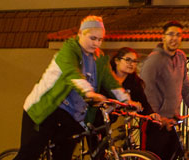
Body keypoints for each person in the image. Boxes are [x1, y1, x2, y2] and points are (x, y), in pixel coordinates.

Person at [16, 16, 126, 160]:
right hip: (44, 110)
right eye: (93, 38)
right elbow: (72, 72)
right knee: (30, 154)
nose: (97, 43)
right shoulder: (68, 51)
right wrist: (89, 92)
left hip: (70, 117)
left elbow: (110, 80)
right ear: (80, 34)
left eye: (100, 39)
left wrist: (126, 100)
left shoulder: (98, 58)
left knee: (64, 155)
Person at [139, 21, 189, 160]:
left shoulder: (181, 57)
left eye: (178, 35)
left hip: (172, 120)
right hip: (155, 122)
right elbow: (146, 89)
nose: (174, 38)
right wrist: (157, 116)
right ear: (163, 37)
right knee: (154, 157)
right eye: (170, 34)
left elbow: (185, 86)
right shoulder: (154, 60)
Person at [107, 48, 158, 148]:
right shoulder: (107, 78)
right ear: (117, 61)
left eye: (134, 61)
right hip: (101, 121)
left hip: (121, 124)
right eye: (128, 60)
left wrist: (151, 113)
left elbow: (143, 103)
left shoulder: (135, 83)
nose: (131, 64)